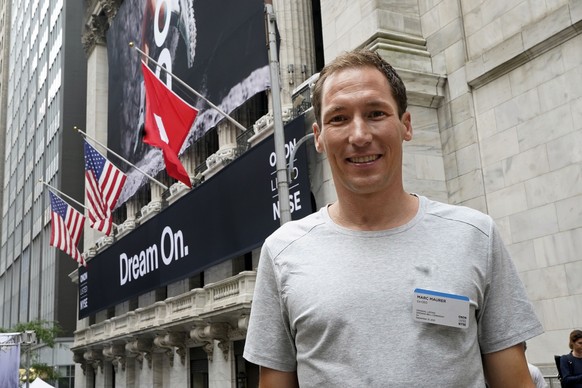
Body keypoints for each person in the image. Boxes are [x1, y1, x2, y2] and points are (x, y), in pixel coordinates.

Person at [243, 49, 544, 387]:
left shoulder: (476, 236)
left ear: (406, 126)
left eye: (375, 113)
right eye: (338, 118)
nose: (359, 136)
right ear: (319, 137)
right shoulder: (282, 252)